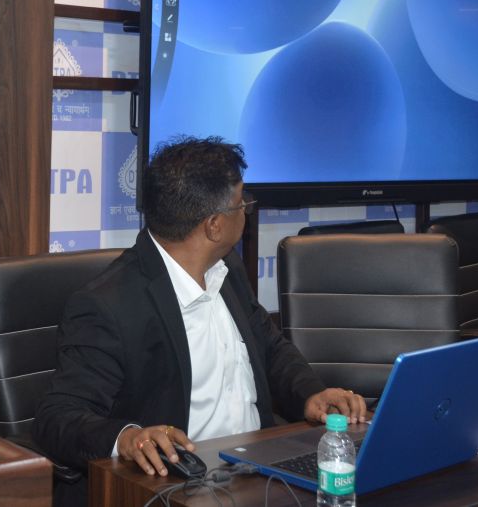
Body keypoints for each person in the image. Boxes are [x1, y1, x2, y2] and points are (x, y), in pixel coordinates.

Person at [33, 136, 366, 503]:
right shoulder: (107, 304)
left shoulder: (226, 268)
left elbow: (269, 347)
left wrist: (311, 393)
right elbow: (57, 417)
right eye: (242, 203)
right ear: (214, 226)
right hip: (177, 490)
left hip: (258, 475)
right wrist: (127, 437)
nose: (246, 211)